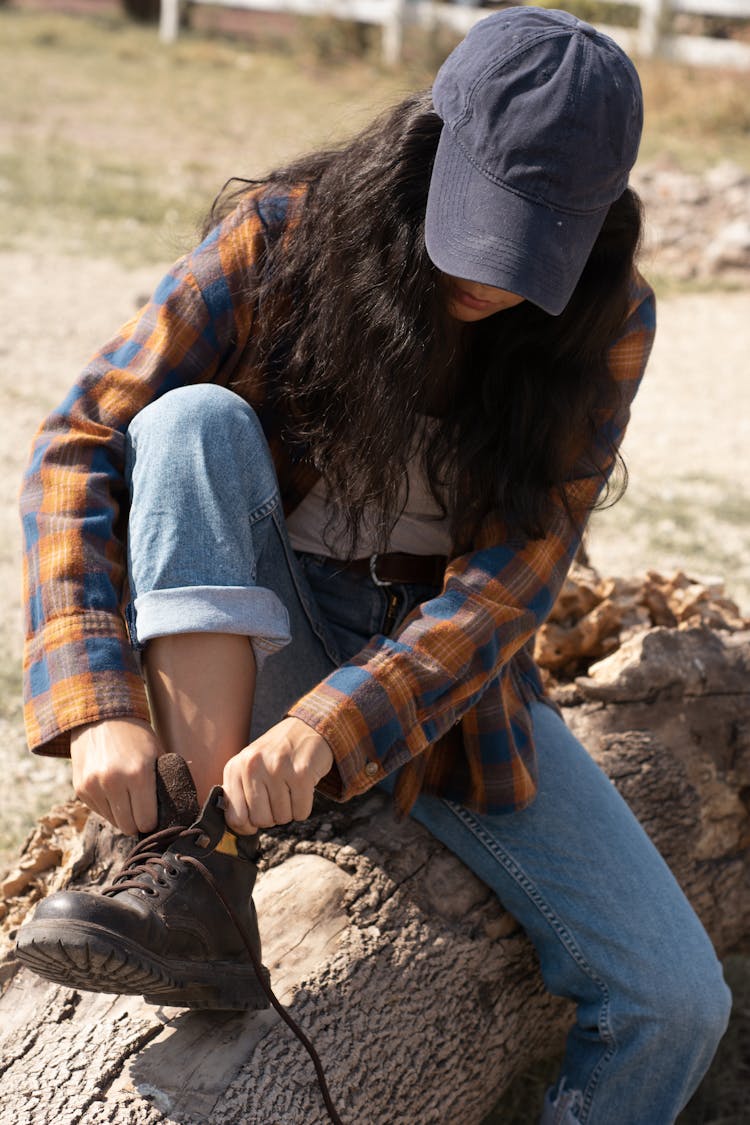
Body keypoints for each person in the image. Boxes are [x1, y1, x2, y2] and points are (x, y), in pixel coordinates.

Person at [15, 8, 730, 1124]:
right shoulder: (283, 236)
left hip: (443, 688)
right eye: (485, 223)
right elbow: (79, 443)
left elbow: (512, 585)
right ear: (426, 150)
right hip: (253, 635)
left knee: (678, 1002)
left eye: (539, 240)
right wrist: (98, 702)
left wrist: (333, 726)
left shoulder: (608, 319)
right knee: (191, 421)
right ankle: (192, 860)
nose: (496, 277)